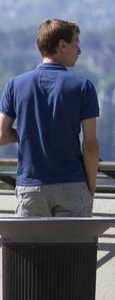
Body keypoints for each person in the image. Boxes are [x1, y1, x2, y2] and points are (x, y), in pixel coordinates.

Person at [0, 19, 100, 217]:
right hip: (72, 184)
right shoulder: (83, 87)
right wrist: (91, 185)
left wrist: (29, 132)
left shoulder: (15, 85)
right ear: (62, 45)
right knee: (74, 248)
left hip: (31, 186)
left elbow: (1, 135)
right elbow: (90, 145)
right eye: (76, 43)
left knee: (31, 248)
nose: (79, 51)